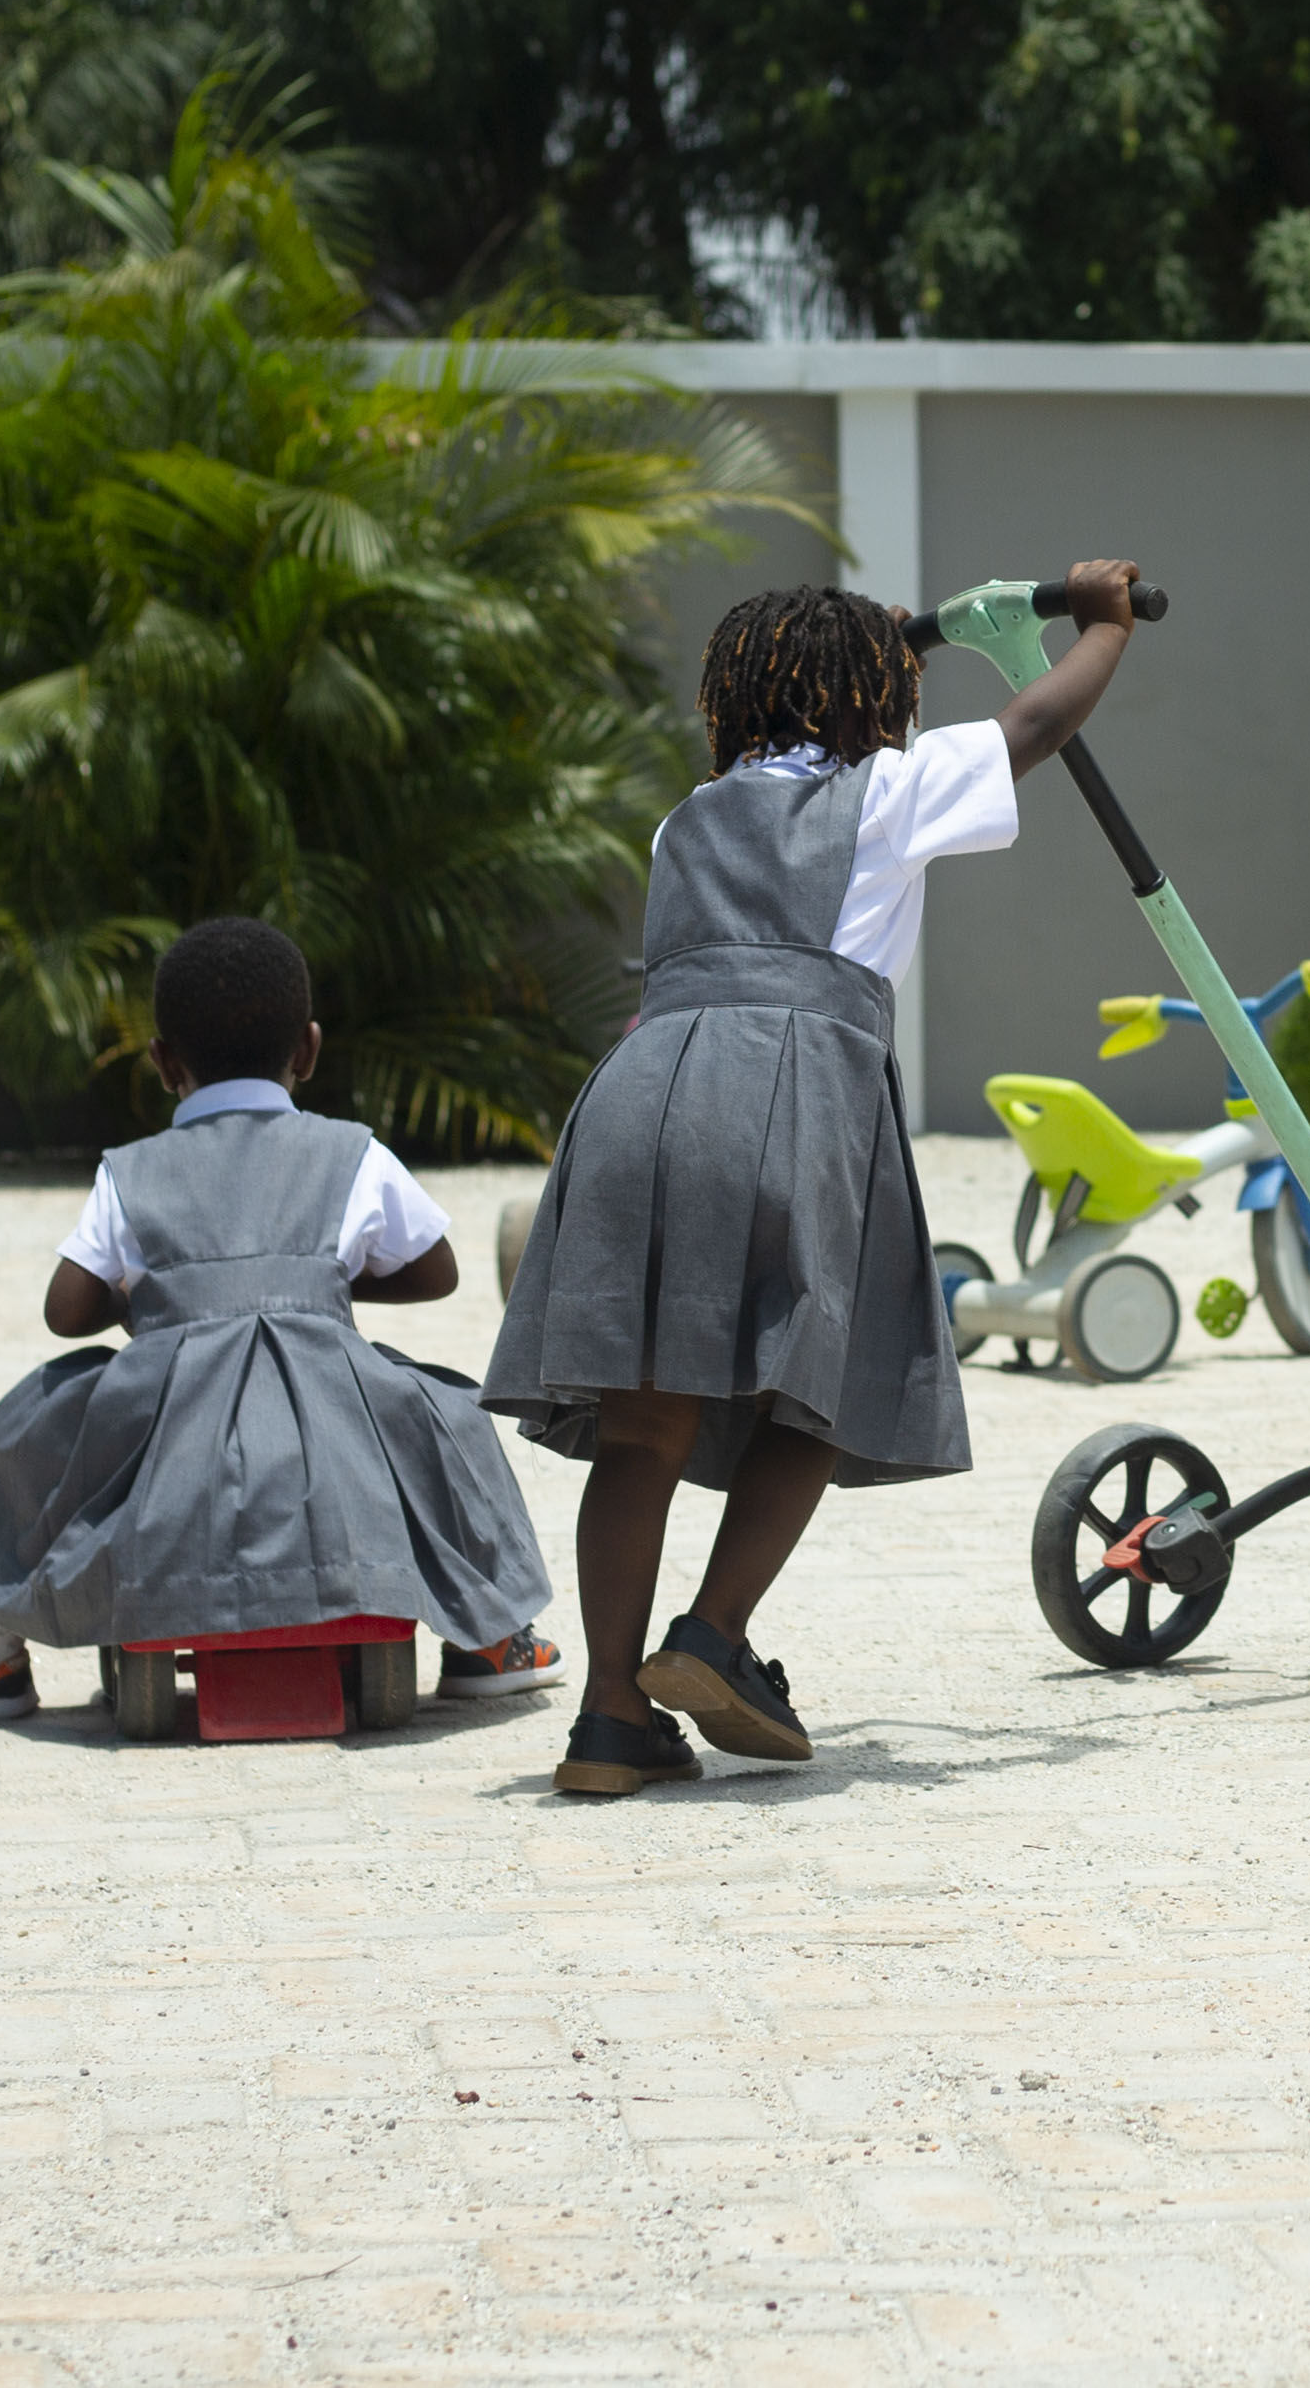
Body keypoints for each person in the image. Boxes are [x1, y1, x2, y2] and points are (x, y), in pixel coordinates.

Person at [486, 564, 1147, 1797]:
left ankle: (609, 1717)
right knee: (820, 1381)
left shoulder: (684, 820)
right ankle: (712, 1635)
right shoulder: (887, 793)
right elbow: (1033, 726)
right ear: (869, 703)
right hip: (793, 1092)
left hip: (641, 1092)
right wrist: (1104, 626)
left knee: (641, 1416)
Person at [0, 917, 563, 1718]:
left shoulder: (132, 1171)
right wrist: (313, 1285)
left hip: (170, 1431)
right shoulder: (353, 1153)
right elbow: (436, 1272)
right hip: (330, 1413)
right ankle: (489, 1637)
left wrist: (157, 1299)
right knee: (447, 1412)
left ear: (162, 1060)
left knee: (27, 1424)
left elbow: (65, 1310)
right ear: (307, 1049)